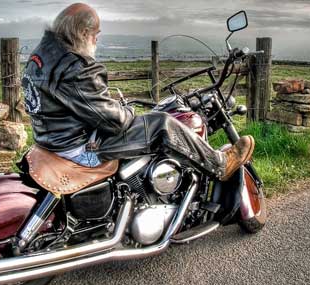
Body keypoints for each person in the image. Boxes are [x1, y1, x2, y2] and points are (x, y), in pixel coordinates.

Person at [21, 3, 255, 181]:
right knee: (162, 122)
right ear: (82, 33)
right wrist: (128, 112)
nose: (96, 40)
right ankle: (220, 165)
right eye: (95, 35)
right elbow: (112, 122)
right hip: (80, 148)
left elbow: (79, 104)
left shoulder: (40, 57)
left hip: (52, 140)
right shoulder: (75, 66)